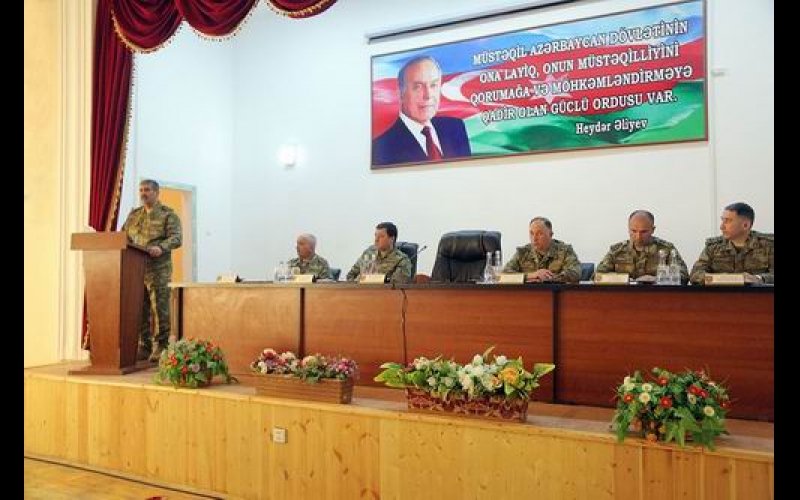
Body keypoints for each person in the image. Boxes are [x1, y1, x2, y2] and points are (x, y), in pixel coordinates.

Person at [122, 179, 182, 363]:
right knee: (140, 308)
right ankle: (144, 345)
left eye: (147, 190)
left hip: (158, 269)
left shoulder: (167, 215)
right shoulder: (134, 215)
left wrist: (161, 248)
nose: (143, 193)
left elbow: (177, 238)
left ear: (156, 192)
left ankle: (162, 346)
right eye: (141, 190)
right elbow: (123, 235)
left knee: (159, 309)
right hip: (136, 269)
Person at [372, 56, 471, 166]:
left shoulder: (455, 127)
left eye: (433, 85)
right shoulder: (382, 147)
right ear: (401, 93)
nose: (428, 95)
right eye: (418, 87)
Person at [690, 202, 774, 284]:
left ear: (745, 225)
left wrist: (759, 279)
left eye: (728, 221)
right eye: (722, 220)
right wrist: (723, 279)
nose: (721, 226)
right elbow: (695, 275)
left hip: (759, 296)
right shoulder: (713, 247)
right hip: (721, 296)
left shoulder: (769, 245)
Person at [596, 210, 689, 283]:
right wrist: (624, 279)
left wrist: (657, 279)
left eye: (643, 232)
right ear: (628, 228)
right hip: (623, 298)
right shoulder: (616, 250)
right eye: (633, 231)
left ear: (652, 230)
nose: (638, 236)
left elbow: (684, 276)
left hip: (658, 298)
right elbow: (597, 276)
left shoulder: (666, 249)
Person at [503, 217, 581, 283]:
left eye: (539, 233)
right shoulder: (522, 252)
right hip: (527, 296)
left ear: (550, 235)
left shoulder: (565, 251)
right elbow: (504, 275)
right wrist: (531, 276)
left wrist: (549, 278)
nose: (534, 238)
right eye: (531, 233)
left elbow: (576, 273)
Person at [347, 222, 413, 284]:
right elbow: (350, 275)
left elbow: (398, 283)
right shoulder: (369, 252)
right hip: (360, 293)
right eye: (375, 236)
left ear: (392, 239)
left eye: (381, 236)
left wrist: (375, 279)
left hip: (383, 294)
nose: (376, 240)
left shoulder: (402, 260)